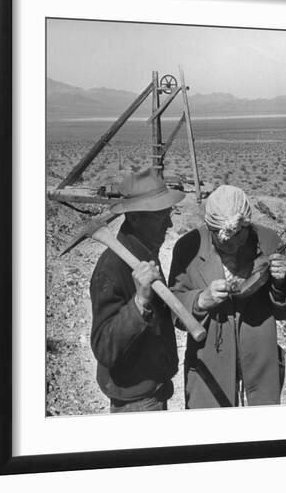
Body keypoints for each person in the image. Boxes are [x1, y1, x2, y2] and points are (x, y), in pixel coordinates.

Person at [168, 185, 286, 408]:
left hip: (260, 362)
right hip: (209, 366)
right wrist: (200, 300)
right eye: (218, 236)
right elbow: (173, 305)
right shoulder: (188, 248)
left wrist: (281, 282)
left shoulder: (269, 242)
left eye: (235, 235)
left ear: (246, 227)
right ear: (209, 227)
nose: (227, 242)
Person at [90, 167, 185, 413]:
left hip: (154, 388)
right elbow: (104, 348)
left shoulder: (144, 252)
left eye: (168, 213)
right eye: (161, 215)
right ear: (135, 217)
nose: (170, 223)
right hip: (135, 402)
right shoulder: (111, 268)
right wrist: (139, 303)